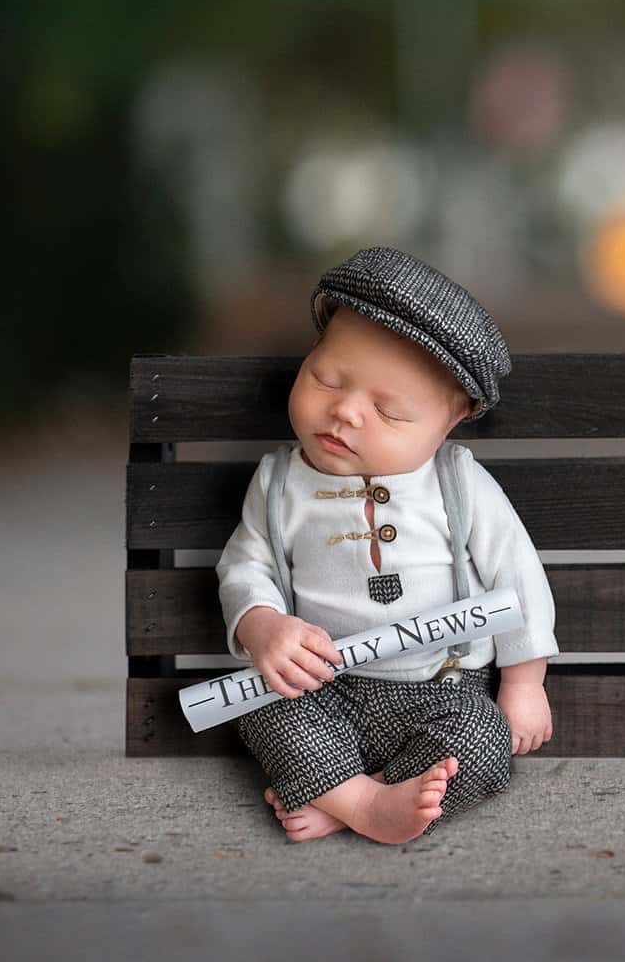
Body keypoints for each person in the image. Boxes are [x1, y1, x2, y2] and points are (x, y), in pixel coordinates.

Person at [216, 246, 558, 844]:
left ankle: (344, 797)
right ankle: (364, 802)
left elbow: (518, 578)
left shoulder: (458, 482)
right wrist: (263, 627)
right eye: (325, 378)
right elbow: (247, 564)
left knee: (484, 742)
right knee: (264, 708)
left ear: (450, 422)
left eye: (389, 411)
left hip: (443, 687)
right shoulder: (280, 482)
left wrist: (524, 684)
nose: (345, 410)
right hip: (325, 688)